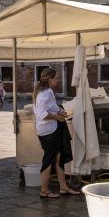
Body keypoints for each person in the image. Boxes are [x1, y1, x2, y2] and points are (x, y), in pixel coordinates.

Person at [33, 67, 76, 198]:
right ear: (50, 79)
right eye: (56, 78)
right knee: (49, 159)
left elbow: (52, 108)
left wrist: (59, 111)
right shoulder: (44, 95)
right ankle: (44, 190)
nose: (58, 80)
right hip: (48, 131)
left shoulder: (49, 91)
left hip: (52, 128)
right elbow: (41, 115)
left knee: (58, 158)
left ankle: (63, 187)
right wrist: (57, 117)